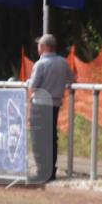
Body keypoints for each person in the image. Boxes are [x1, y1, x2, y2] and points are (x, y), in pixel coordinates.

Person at [28, 34, 74, 183]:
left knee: (38, 139)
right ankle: (51, 171)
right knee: (51, 137)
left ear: (42, 47)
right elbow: (71, 80)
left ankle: (42, 172)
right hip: (54, 104)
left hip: (40, 104)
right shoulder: (63, 62)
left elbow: (33, 87)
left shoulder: (40, 64)